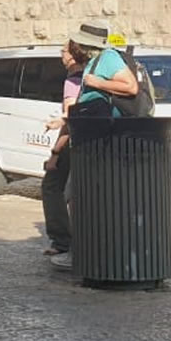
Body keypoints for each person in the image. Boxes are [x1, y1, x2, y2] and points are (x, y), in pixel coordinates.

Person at [42, 37, 91, 270]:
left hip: (71, 143)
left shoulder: (72, 80)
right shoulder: (91, 75)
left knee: (52, 186)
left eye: (63, 50)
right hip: (89, 142)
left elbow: (70, 119)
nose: (60, 54)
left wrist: (55, 153)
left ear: (72, 55)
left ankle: (62, 240)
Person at [74, 20, 139, 118]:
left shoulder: (108, 56)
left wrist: (97, 83)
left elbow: (131, 87)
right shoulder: (94, 59)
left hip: (104, 123)